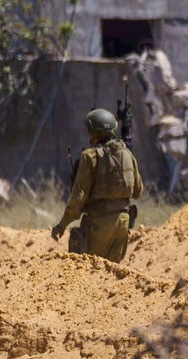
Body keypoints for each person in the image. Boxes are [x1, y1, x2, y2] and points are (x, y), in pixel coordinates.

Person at [52, 108, 143, 263]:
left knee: (89, 274)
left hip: (98, 225)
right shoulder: (127, 154)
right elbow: (138, 191)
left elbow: (78, 197)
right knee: (111, 275)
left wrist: (62, 225)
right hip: (123, 223)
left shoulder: (90, 156)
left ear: (92, 131)